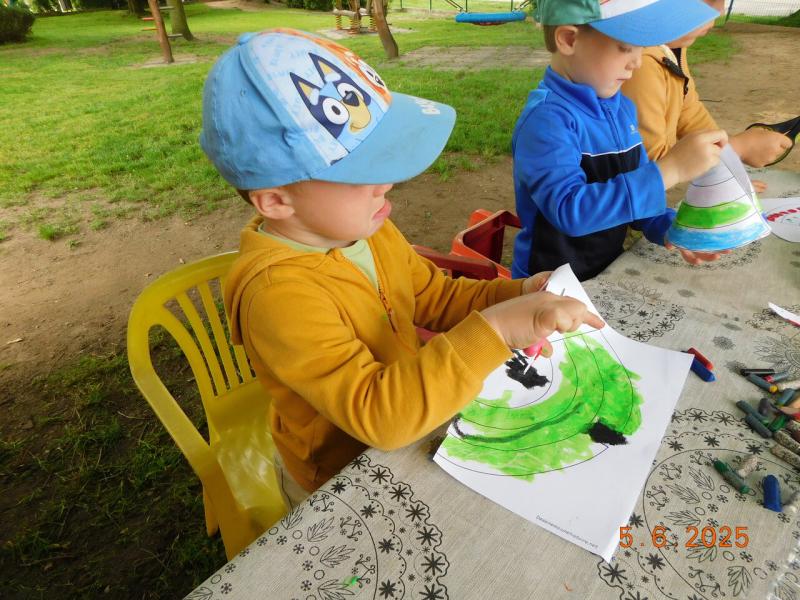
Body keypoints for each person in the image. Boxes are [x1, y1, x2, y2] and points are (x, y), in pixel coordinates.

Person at [199, 29, 604, 507]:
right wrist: (495, 332)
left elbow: (436, 297)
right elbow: (379, 416)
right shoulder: (278, 295)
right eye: (359, 171)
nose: (387, 181)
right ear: (275, 201)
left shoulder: (365, 229)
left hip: (415, 409)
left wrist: (519, 295)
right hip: (342, 476)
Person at [511, 0, 729, 282]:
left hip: (603, 273)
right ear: (568, 39)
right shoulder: (547, 121)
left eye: (642, 47)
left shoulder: (621, 108)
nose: (637, 62)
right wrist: (670, 170)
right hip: (548, 285)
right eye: (626, 47)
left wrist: (669, 226)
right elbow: (569, 211)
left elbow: (632, 191)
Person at [622, 0, 791, 176]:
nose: (720, 11)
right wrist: (737, 149)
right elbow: (649, 164)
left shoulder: (672, 48)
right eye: (711, 0)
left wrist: (728, 171)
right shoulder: (641, 65)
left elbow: (689, 112)